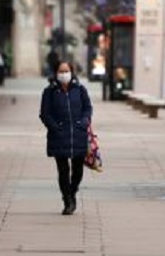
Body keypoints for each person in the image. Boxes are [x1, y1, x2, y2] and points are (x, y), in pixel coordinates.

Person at [39, 61, 92, 215]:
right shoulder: (49, 92)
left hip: (78, 134)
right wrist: (55, 127)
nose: (64, 74)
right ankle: (67, 200)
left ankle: (72, 191)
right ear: (56, 73)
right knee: (63, 171)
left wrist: (84, 121)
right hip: (59, 136)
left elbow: (88, 108)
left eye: (66, 71)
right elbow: (44, 114)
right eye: (61, 71)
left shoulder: (80, 89)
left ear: (72, 71)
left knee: (78, 171)